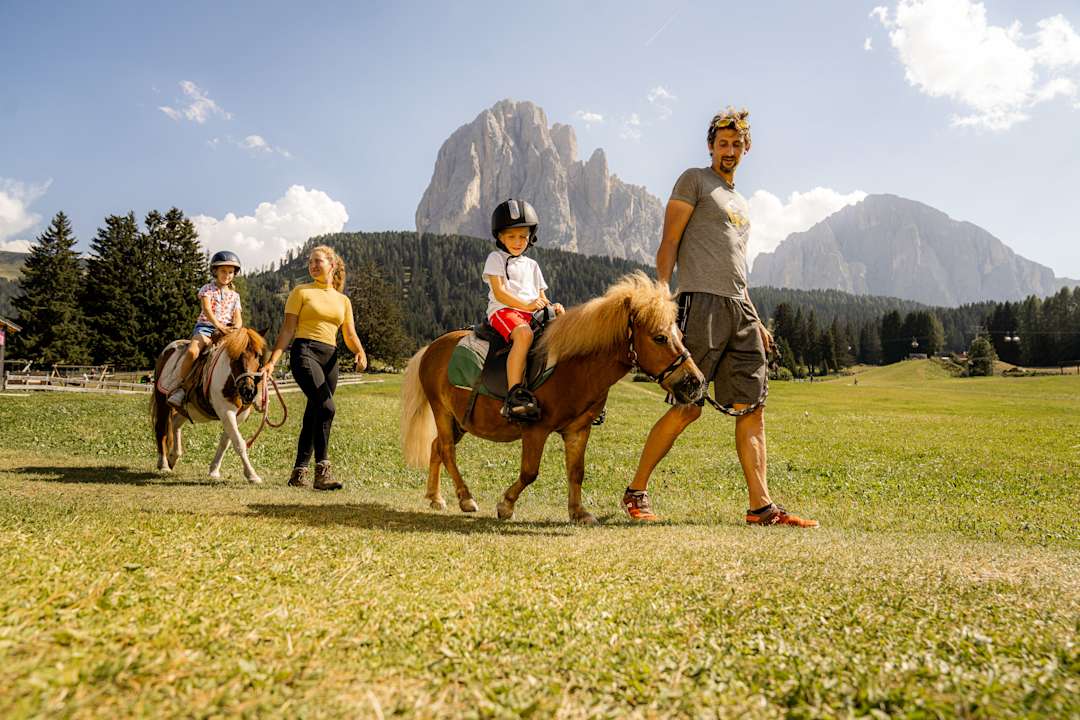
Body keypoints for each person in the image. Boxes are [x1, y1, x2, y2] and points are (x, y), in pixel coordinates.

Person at [620, 107, 818, 528]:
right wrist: (662, 299)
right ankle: (636, 491)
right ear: (711, 146)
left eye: (736, 144)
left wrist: (756, 318)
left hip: (740, 309)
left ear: (746, 148)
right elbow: (669, 242)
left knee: (752, 408)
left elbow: (737, 267)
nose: (729, 151)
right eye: (722, 143)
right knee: (688, 406)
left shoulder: (741, 203)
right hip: (701, 304)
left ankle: (761, 507)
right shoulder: (693, 180)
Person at [260, 245, 367, 490]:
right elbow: (287, 330)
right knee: (327, 407)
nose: (313, 265)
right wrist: (272, 362)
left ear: (332, 265)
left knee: (315, 413)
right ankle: (322, 473)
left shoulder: (343, 300)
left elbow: (349, 334)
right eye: (310, 262)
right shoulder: (301, 292)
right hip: (305, 352)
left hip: (330, 359)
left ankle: (298, 474)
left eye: (318, 261)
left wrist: (360, 352)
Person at [483, 199, 563, 421]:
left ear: (530, 237)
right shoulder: (496, 258)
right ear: (500, 237)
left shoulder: (532, 265)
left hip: (530, 313)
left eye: (523, 236)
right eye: (511, 237)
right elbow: (500, 293)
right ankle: (514, 394)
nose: (518, 242)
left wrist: (553, 307)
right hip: (504, 311)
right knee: (524, 335)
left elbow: (542, 297)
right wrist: (526, 306)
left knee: (564, 334)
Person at [167, 250, 243, 410]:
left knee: (243, 356)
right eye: (223, 271)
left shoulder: (235, 296)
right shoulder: (207, 289)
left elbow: (238, 317)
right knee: (192, 352)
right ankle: (181, 387)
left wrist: (236, 328)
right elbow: (207, 310)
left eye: (230, 272)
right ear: (215, 271)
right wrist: (218, 326)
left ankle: (245, 389)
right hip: (206, 328)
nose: (227, 275)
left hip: (227, 332)